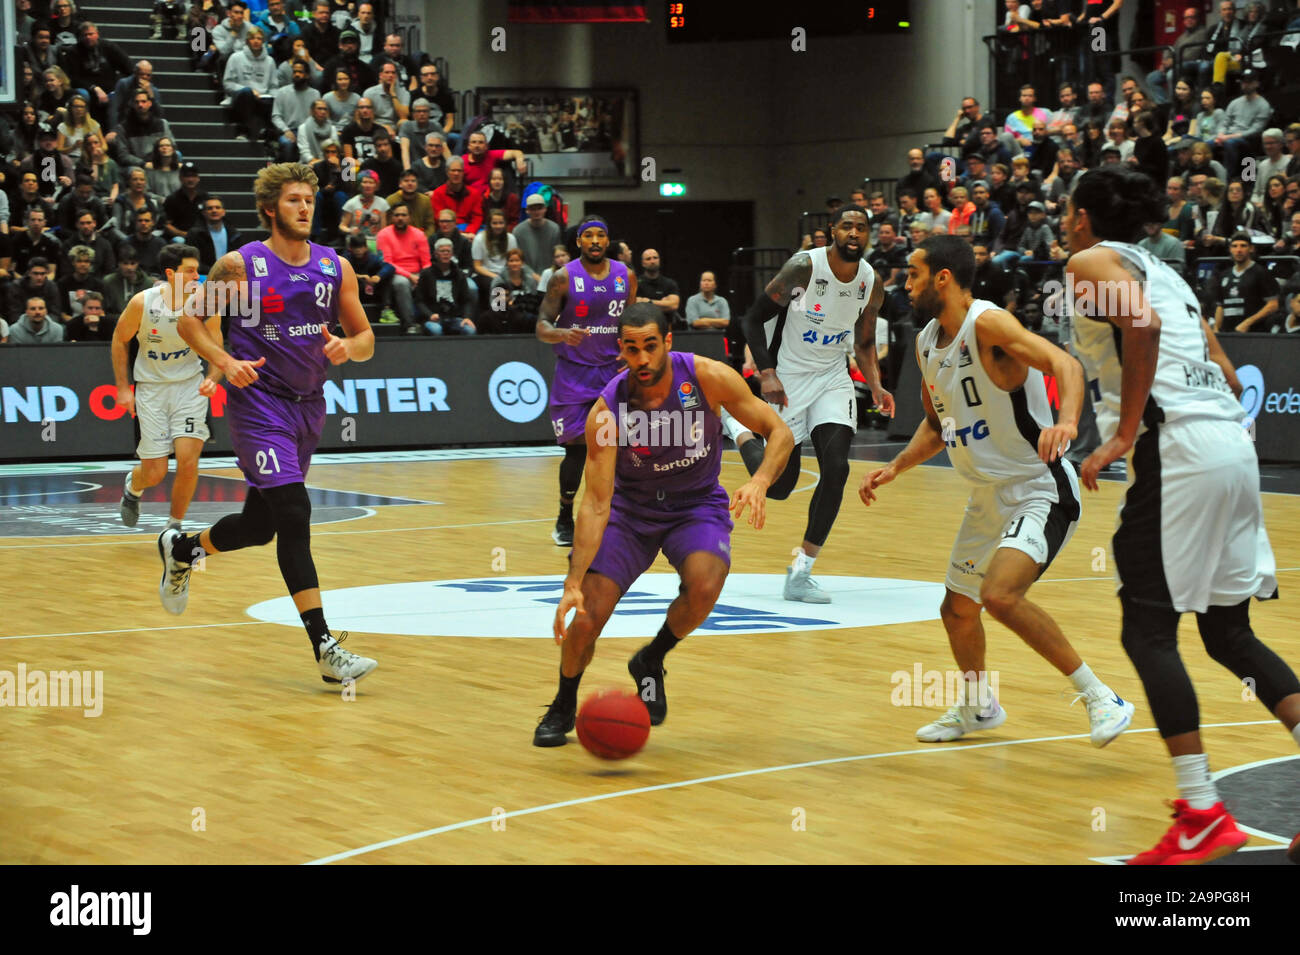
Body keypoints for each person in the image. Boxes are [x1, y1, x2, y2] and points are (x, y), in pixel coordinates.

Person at [1062, 166, 1300, 865]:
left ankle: (1200, 811)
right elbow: (1226, 368)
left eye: (1069, 209)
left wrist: (1123, 431)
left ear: (1082, 216)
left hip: (1179, 451)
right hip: (1230, 445)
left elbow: (1142, 326)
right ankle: (1200, 807)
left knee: (1147, 628)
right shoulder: (1168, 270)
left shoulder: (1089, 261)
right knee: (1228, 632)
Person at [860, 234, 1133, 746]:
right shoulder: (924, 343)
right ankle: (979, 707)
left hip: (1039, 486)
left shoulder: (987, 323)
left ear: (943, 277)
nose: (906, 282)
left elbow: (1066, 365)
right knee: (958, 610)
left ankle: (1102, 696)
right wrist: (895, 467)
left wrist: (1068, 422)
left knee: (999, 596)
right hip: (985, 498)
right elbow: (940, 425)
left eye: (914, 273)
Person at [160, 162, 380, 686]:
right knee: (296, 511)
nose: (305, 208)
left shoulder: (335, 267)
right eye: (293, 200)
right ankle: (326, 646)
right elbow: (190, 319)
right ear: (269, 209)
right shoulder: (240, 266)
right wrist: (225, 361)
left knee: (261, 527)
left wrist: (348, 347)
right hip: (258, 404)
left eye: (309, 199)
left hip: (308, 406)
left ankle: (183, 548)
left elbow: (367, 338)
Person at [534, 303, 795, 745]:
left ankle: (650, 660)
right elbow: (596, 504)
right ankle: (563, 702)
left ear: (667, 343)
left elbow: (779, 431)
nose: (642, 359)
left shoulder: (708, 377)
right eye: (632, 349)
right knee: (586, 618)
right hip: (630, 512)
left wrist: (759, 481)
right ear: (621, 349)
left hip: (694, 505)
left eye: (650, 347)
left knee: (705, 584)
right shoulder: (607, 410)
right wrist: (572, 581)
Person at [733, 207, 894, 603]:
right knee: (781, 487)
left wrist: (875, 385)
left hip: (832, 377)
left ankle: (801, 571)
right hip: (787, 377)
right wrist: (766, 372)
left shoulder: (870, 282)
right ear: (832, 232)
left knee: (836, 468)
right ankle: (738, 431)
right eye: (847, 226)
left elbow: (865, 342)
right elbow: (752, 320)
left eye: (861, 228)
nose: (854, 233)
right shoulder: (804, 268)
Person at [535, 215, 637, 546]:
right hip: (574, 377)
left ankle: (616, 518)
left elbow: (632, 322)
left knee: (616, 449)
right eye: (588, 236)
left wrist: (633, 353)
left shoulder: (626, 276)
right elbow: (541, 326)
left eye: (601, 235)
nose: (595, 241)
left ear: (608, 241)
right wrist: (562, 332)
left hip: (613, 375)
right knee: (577, 451)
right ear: (578, 242)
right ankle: (565, 517)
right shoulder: (563, 278)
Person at [112, 244, 220, 531]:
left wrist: (213, 377)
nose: (198, 276)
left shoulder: (206, 305)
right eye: (190, 270)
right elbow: (120, 339)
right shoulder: (142, 303)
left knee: (187, 462)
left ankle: (174, 528)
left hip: (189, 388)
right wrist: (123, 388)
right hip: (151, 388)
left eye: (198, 269)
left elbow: (218, 350)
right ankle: (133, 487)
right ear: (171, 274)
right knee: (155, 472)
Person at [1213, 233, 1280, 333]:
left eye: (1243, 246)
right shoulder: (1224, 275)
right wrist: (1216, 328)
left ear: (1251, 248)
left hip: (1253, 334)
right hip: (1227, 333)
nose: (1238, 250)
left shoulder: (1261, 273)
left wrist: (1248, 322)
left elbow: (1273, 304)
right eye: (1234, 246)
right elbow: (1220, 306)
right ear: (1230, 249)